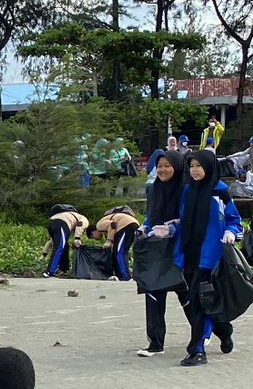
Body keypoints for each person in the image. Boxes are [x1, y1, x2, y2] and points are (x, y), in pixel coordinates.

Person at [175, 151, 243, 367]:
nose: (194, 170)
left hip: (211, 256)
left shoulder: (220, 192)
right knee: (200, 302)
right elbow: (183, 219)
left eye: (198, 166)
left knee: (198, 302)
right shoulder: (188, 191)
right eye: (191, 166)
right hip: (188, 254)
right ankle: (223, 330)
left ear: (209, 167)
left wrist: (231, 232)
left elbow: (234, 219)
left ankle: (197, 350)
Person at [138, 150, 187, 357]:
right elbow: (152, 215)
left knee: (187, 295)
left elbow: (191, 219)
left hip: (179, 250)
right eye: (159, 166)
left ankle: (212, 333)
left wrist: (174, 227)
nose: (163, 170)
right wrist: (144, 227)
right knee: (153, 291)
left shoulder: (185, 189)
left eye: (167, 166)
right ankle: (156, 343)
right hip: (158, 249)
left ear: (176, 167)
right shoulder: (155, 189)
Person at [91, 205, 140, 280]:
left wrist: (109, 240)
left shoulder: (99, 225)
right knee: (118, 252)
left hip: (126, 225)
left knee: (119, 252)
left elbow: (112, 224)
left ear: (93, 232)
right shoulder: (105, 229)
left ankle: (125, 276)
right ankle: (120, 275)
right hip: (130, 225)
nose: (95, 239)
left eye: (93, 237)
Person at [41, 204, 89, 277]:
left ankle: (64, 269)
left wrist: (44, 254)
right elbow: (80, 224)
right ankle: (50, 271)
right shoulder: (83, 218)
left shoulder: (67, 216)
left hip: (51, 223)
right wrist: (77, 238)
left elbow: (50, 242)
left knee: (64, 246)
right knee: (59, 247)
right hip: (61, 223)